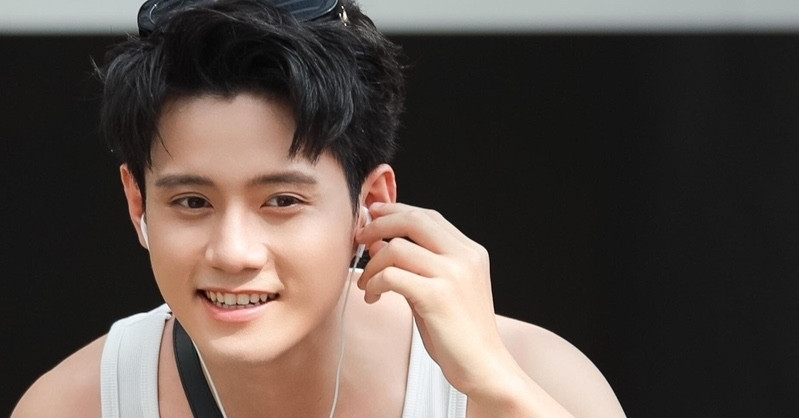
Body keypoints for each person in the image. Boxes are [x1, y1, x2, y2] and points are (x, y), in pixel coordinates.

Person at [12, 0, 626, 417]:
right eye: (192, 201)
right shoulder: (79, 405)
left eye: (282, 200)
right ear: (137, 203)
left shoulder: (534, 379)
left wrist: (498, 391)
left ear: (370, 204)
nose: (233, 252)